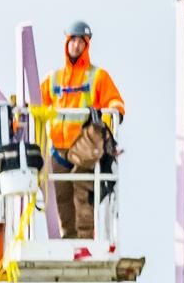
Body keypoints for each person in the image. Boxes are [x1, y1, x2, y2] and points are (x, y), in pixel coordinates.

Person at [41, 21, 126, 240]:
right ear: (66, 42)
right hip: (59, 151)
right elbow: (35, 101)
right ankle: (68, 241)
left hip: (84, 148)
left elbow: (116, 103)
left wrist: (106, 120)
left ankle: (85, 241)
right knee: (61, 197)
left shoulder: (97, 76)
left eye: (81, 41)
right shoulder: (54, 79)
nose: (76, 46)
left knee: (83, 193)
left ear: (86, 45)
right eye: (73, 41)